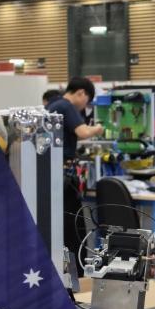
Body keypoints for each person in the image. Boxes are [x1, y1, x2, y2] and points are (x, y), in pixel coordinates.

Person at [46, 77, 104, 276]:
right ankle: (77, 273)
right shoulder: (68, 106)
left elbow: (73, 133)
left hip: (50, 175)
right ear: (81, 93)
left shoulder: (53, 103)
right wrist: (99, 127)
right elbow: (84, 132)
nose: (84, 106)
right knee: (75, 225)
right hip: (63, 176)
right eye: (87, 101)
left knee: (61, 224)